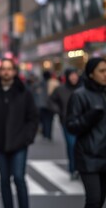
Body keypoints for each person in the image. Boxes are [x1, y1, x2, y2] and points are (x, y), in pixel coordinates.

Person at [0, 58, 38, 208]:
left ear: (14, 72)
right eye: (3, 69)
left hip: (20, 142)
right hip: (0, 143)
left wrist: (28, 137)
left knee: (19, 178)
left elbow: (33, 117)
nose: (6, 72)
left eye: (9, 69)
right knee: (5, 180)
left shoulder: (24, 92)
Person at [66, 57, 106, 208]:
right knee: (94, 201)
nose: (105, 74)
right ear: (91, 74)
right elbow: (71, 125)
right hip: (88, 156)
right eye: (101, 71)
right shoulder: (79, 95)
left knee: (101, 199)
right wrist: (90, 117)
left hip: (104, 154)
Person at [48, 68, 81, 180]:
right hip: (67, 122)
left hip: (83, 122)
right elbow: (51, 101)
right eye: (71, 75)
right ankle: (73, 169)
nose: (74, 77)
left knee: (82, 146)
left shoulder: (82, 88)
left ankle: (82, 168)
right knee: (72, 145)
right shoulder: (60, 89)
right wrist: (59, 111)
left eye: (75, 75)